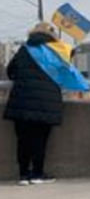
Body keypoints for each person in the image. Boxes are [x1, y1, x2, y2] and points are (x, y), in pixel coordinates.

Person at [4, 23, 65, 185]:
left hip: (21, 100)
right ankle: (37, 173)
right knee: (40, 139)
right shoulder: (55, 51)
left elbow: (10, 71)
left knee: (23, 140)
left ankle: (24, 175)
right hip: (45, 102)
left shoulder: (24, 49)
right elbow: (64, 72)